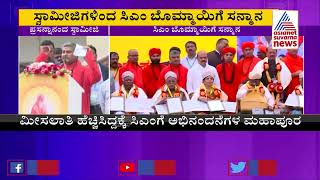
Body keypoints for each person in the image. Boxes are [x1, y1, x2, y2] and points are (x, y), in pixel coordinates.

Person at [61, 42, 101, 114]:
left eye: (68, 52)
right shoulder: (57, 70)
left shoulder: (84, 70)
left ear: (76, 54)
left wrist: (89, 56)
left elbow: (97, 77)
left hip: (80, 115)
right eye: (63, 52)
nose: (65, 54)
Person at [88, 45, 108, 114]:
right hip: (88, 108)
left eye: (91, 53)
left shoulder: (106, 70)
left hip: (102, 107)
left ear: (96, 55)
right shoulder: (83, 70)